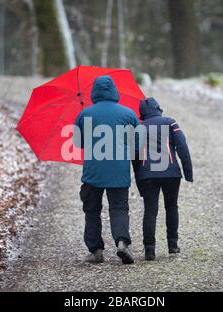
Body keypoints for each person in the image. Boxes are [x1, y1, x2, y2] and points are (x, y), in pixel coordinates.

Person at [73, 76, 139, 264]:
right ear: (114, 91)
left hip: (93, 172)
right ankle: (122, 242)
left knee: (92, 210)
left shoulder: (85, 114)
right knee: (119, 208)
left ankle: (95, 251)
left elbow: (77, 143)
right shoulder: (128, 114)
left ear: (94, 92)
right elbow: (138, 143)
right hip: (119, 170)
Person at [133, 97, 193, 261]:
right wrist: (188, 173)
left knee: (150, 210)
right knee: (172, 207)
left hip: (147, 175)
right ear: (158, 108)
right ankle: (173, 245)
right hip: (171, 173)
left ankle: (149, 250)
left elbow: (135, 157)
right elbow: (182, 147)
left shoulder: (138, 128)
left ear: (142, 114)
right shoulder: (170, 122)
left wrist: (139, 181)